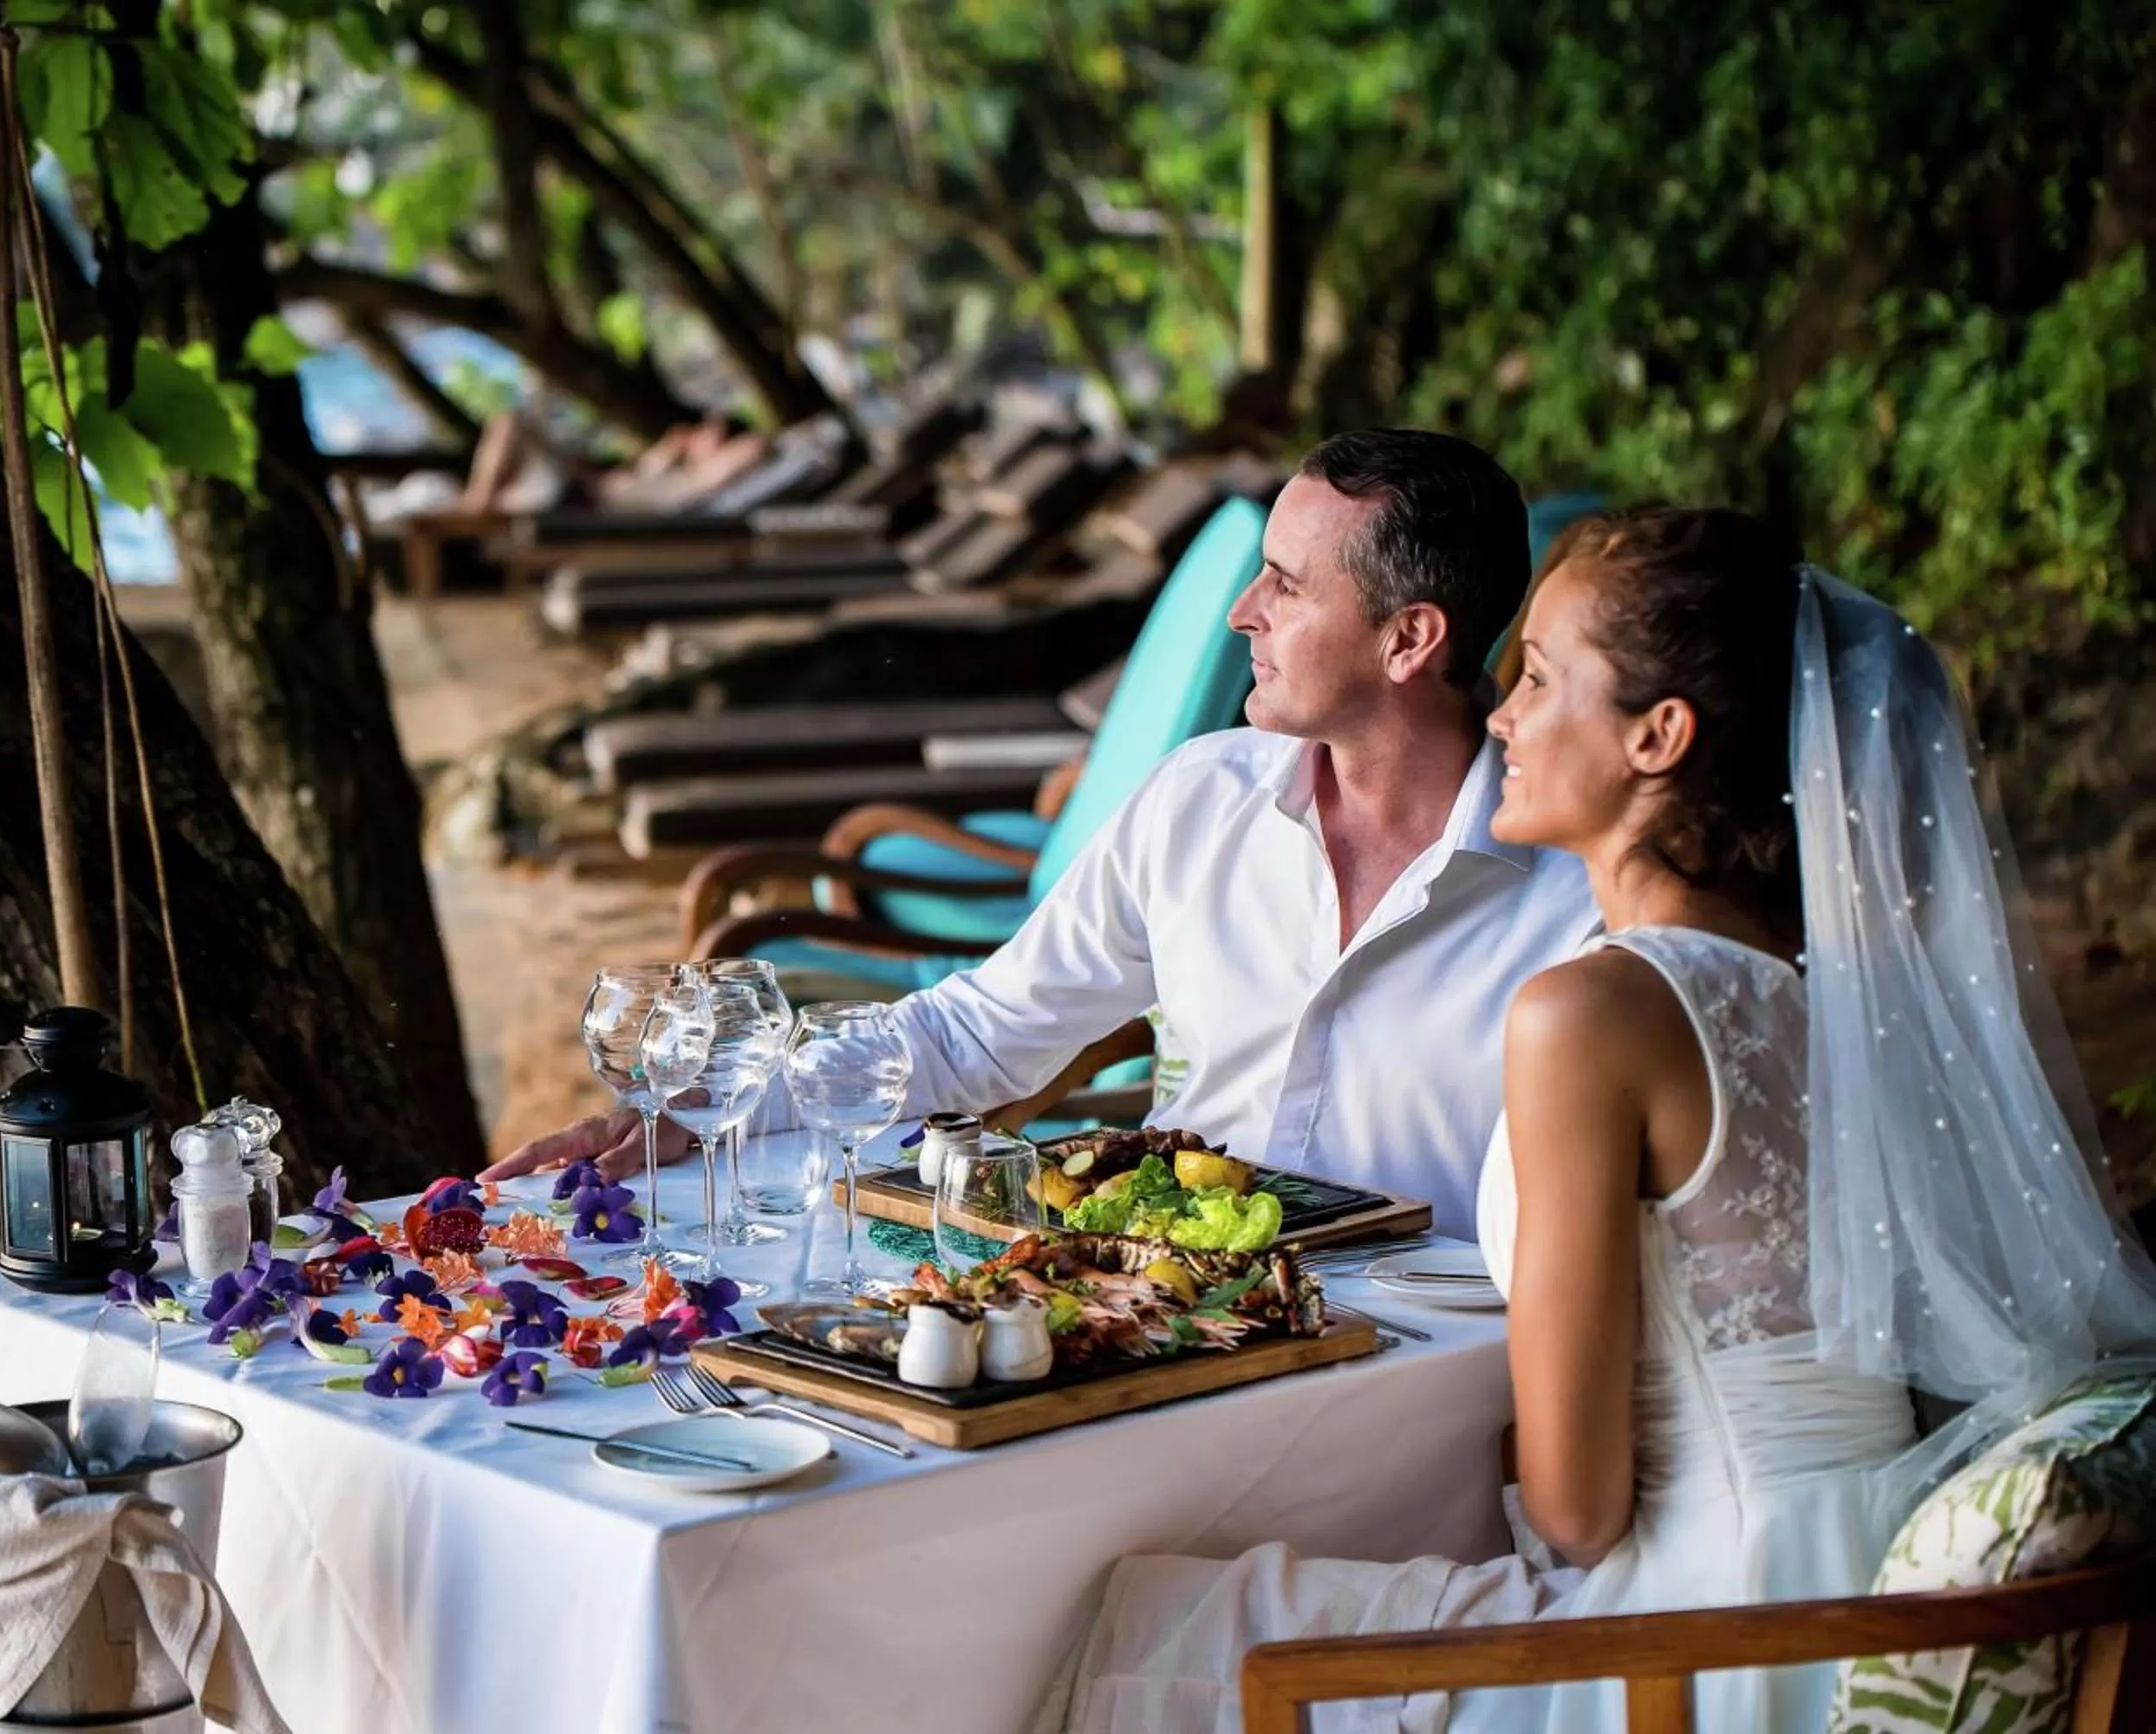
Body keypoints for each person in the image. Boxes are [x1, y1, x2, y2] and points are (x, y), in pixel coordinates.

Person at [1036, 507, 2156, 1733]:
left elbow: (1579, 1511)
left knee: (1161, 1620)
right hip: (1847, 1565)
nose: (1500, 714)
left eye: (1541, 679)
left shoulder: (1591, 1014)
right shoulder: (1831, 994)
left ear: (1658, 736)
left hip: (1705, 1632)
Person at [485, 429, 1604, 1238]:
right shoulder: (1203, 800)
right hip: (1163, 1318)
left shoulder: (1578, 893)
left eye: (1285, 586)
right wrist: (708, 1110)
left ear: (1411, 640)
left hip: (1424, 1375)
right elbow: (976, 1035)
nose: (1239, 613)